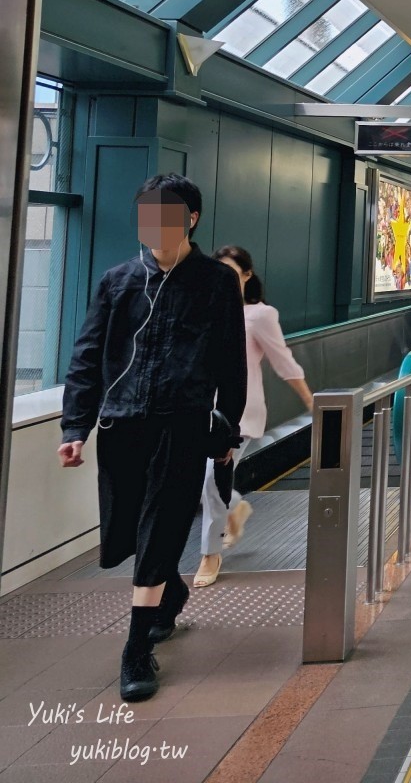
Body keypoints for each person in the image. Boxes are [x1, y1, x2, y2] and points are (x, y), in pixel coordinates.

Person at [59, 175, 247, 702]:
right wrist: (76, 427)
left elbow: (231, 362)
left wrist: (226, 428)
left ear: (191, 219)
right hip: (122, 425)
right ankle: (171, 592)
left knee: (161, 525)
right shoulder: (117, 281)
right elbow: (87, 357)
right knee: (126, 531)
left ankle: (136, 649)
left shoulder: (214, 282)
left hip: (181, 425)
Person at [196, 247, 315, 588]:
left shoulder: (259, 315)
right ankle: (234, 508)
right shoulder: (206, 309)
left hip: (239, 413)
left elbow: (283, 361)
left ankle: (210, 553)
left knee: (209, 479)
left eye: (231, 272)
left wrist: (310, 401)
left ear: (247, 275)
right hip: (201, 410)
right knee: (206, 482)